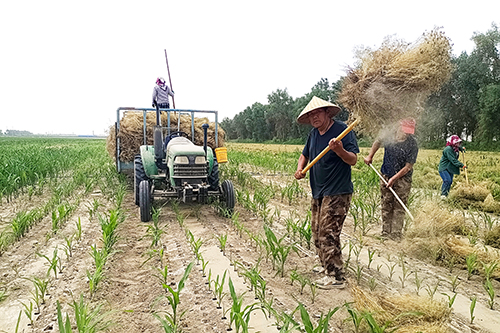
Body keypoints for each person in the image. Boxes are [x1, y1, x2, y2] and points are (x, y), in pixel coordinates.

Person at [294, 96, 359, 289]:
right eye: (311, 114)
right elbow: (304, 154)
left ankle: (336, 276)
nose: (314, 117)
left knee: (328, 232)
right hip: (319, 191)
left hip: (338, 191)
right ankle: (325, 265)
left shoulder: (341, 131)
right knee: (316, 230)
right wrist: (300, 169)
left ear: (327, 113)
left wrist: (339, 150)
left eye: (317, 113)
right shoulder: (314, 134)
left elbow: (353, 159)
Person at [363, 119, 418, 241]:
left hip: (403, 179)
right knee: (386, 203)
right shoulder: (389, 135)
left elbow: (408, 167)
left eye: (409, 131)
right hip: (386, 174)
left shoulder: (412, 144)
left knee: (399, 206)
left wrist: (394, 179)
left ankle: (396, 234)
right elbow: (378, 141)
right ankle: (385, 232)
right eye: (405, 130)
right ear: (399, 126)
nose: (407, 133)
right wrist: (370, 156)